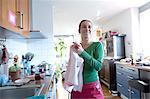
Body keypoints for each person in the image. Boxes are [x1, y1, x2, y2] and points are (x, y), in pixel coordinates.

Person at [70, 19, 104, 99]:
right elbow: (72, 67)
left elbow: (98, 66)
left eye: (89, 27)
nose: (87, 29)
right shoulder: (75, 47)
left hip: (92, 86)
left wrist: (82, 52)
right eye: (84, 27)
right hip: (77, 87)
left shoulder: (97, 45)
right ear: (79, 30)